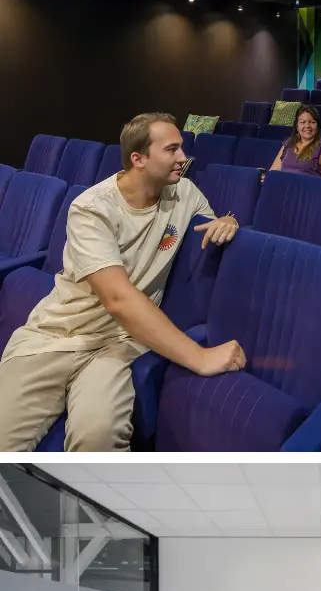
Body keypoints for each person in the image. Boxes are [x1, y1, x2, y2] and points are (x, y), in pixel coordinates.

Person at [0, 112, 247, 456]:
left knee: (98, 440)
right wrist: (200, 357)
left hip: (117, 345)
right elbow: (118, 298)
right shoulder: (92, 208)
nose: (183, 158)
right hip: (58, 335)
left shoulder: (184, 192)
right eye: (172, 149)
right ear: (139, 159)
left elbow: (214, 219)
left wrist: (229, 220)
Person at [269, 105, 321, 182]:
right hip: (283, 188)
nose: (307, 126)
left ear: (318, 126)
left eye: (312, 122)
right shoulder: (289, 143)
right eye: (303, 122)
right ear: (297, 125)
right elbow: (273, 173)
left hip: (306, 192)